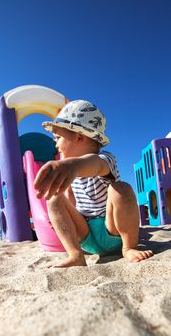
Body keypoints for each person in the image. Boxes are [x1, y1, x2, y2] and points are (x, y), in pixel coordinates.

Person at [34, 100, 153, 267]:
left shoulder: (105, 159)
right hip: (86, 234)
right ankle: (75, 255)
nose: (56, 144)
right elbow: (70, 200)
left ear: (79, 137)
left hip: (113, 229)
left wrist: (73, 166)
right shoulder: (69, 173)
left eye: (58, 138)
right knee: (54, 198)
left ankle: (129, 248)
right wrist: (61, 219)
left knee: (121, 188)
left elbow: (95, 165)